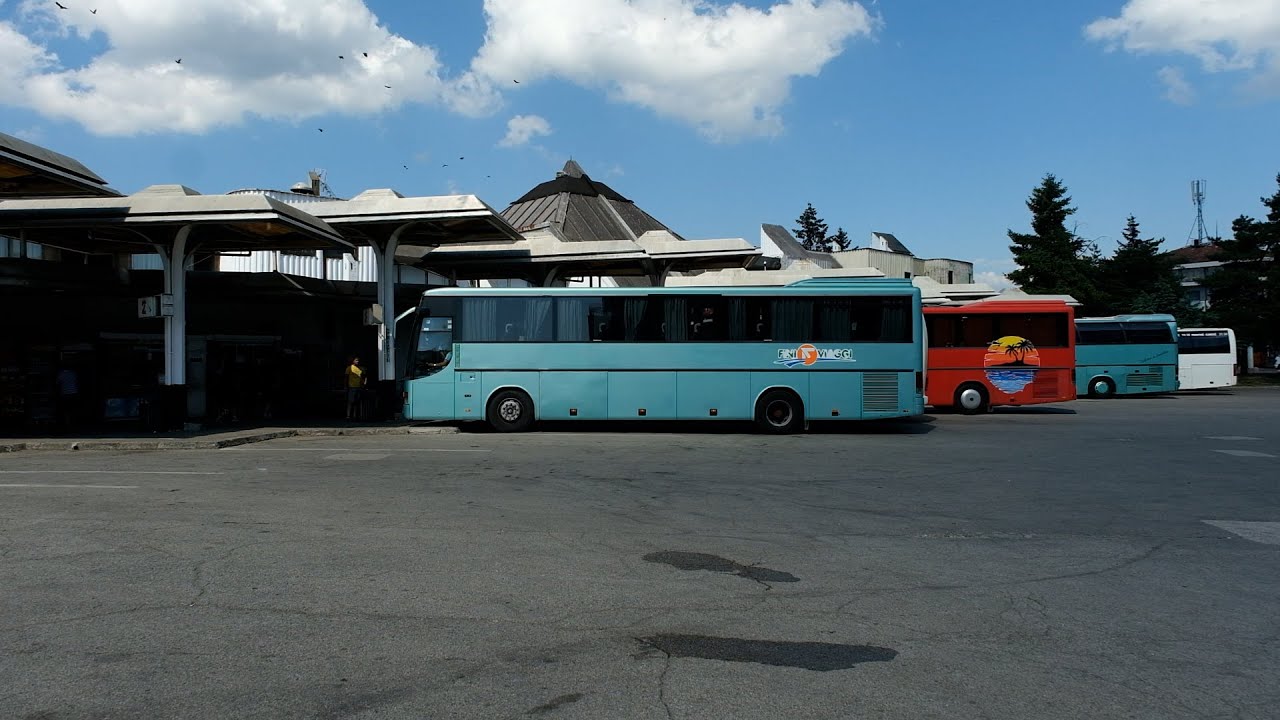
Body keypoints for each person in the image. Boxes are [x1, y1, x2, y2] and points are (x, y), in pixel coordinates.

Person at [55, 366, 81, 431]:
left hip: (65, 393)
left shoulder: (61, 374)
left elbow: (57, 383)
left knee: (66, 410)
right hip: (74, 392)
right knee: (73, 409)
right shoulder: (73, 373)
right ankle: (74, 423)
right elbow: (77, 382)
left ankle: (68, 424)